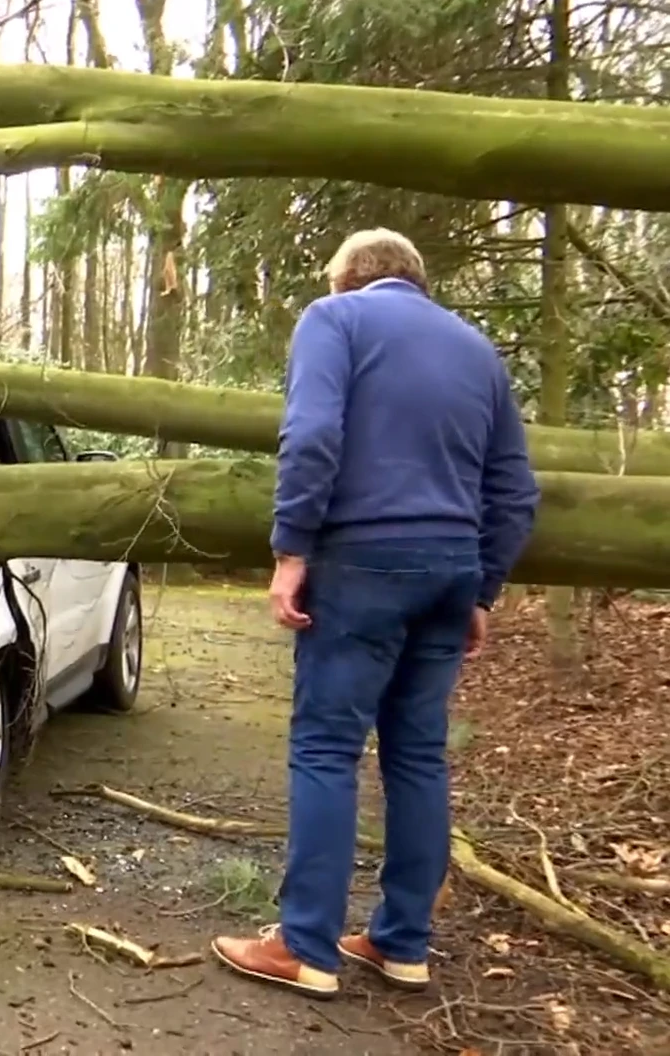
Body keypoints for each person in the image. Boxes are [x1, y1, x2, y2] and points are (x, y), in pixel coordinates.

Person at [212, 228, 541, 999]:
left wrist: (291, 549)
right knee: (418, 755)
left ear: (348, 279)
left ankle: (306, 947)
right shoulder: (477, 350)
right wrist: (482, 587)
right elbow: (515, 489)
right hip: (450, 569)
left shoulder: (337, 320)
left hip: (361, 561)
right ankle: (401, 945)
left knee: (327, 748)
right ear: (414, 280)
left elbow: (314, 433)